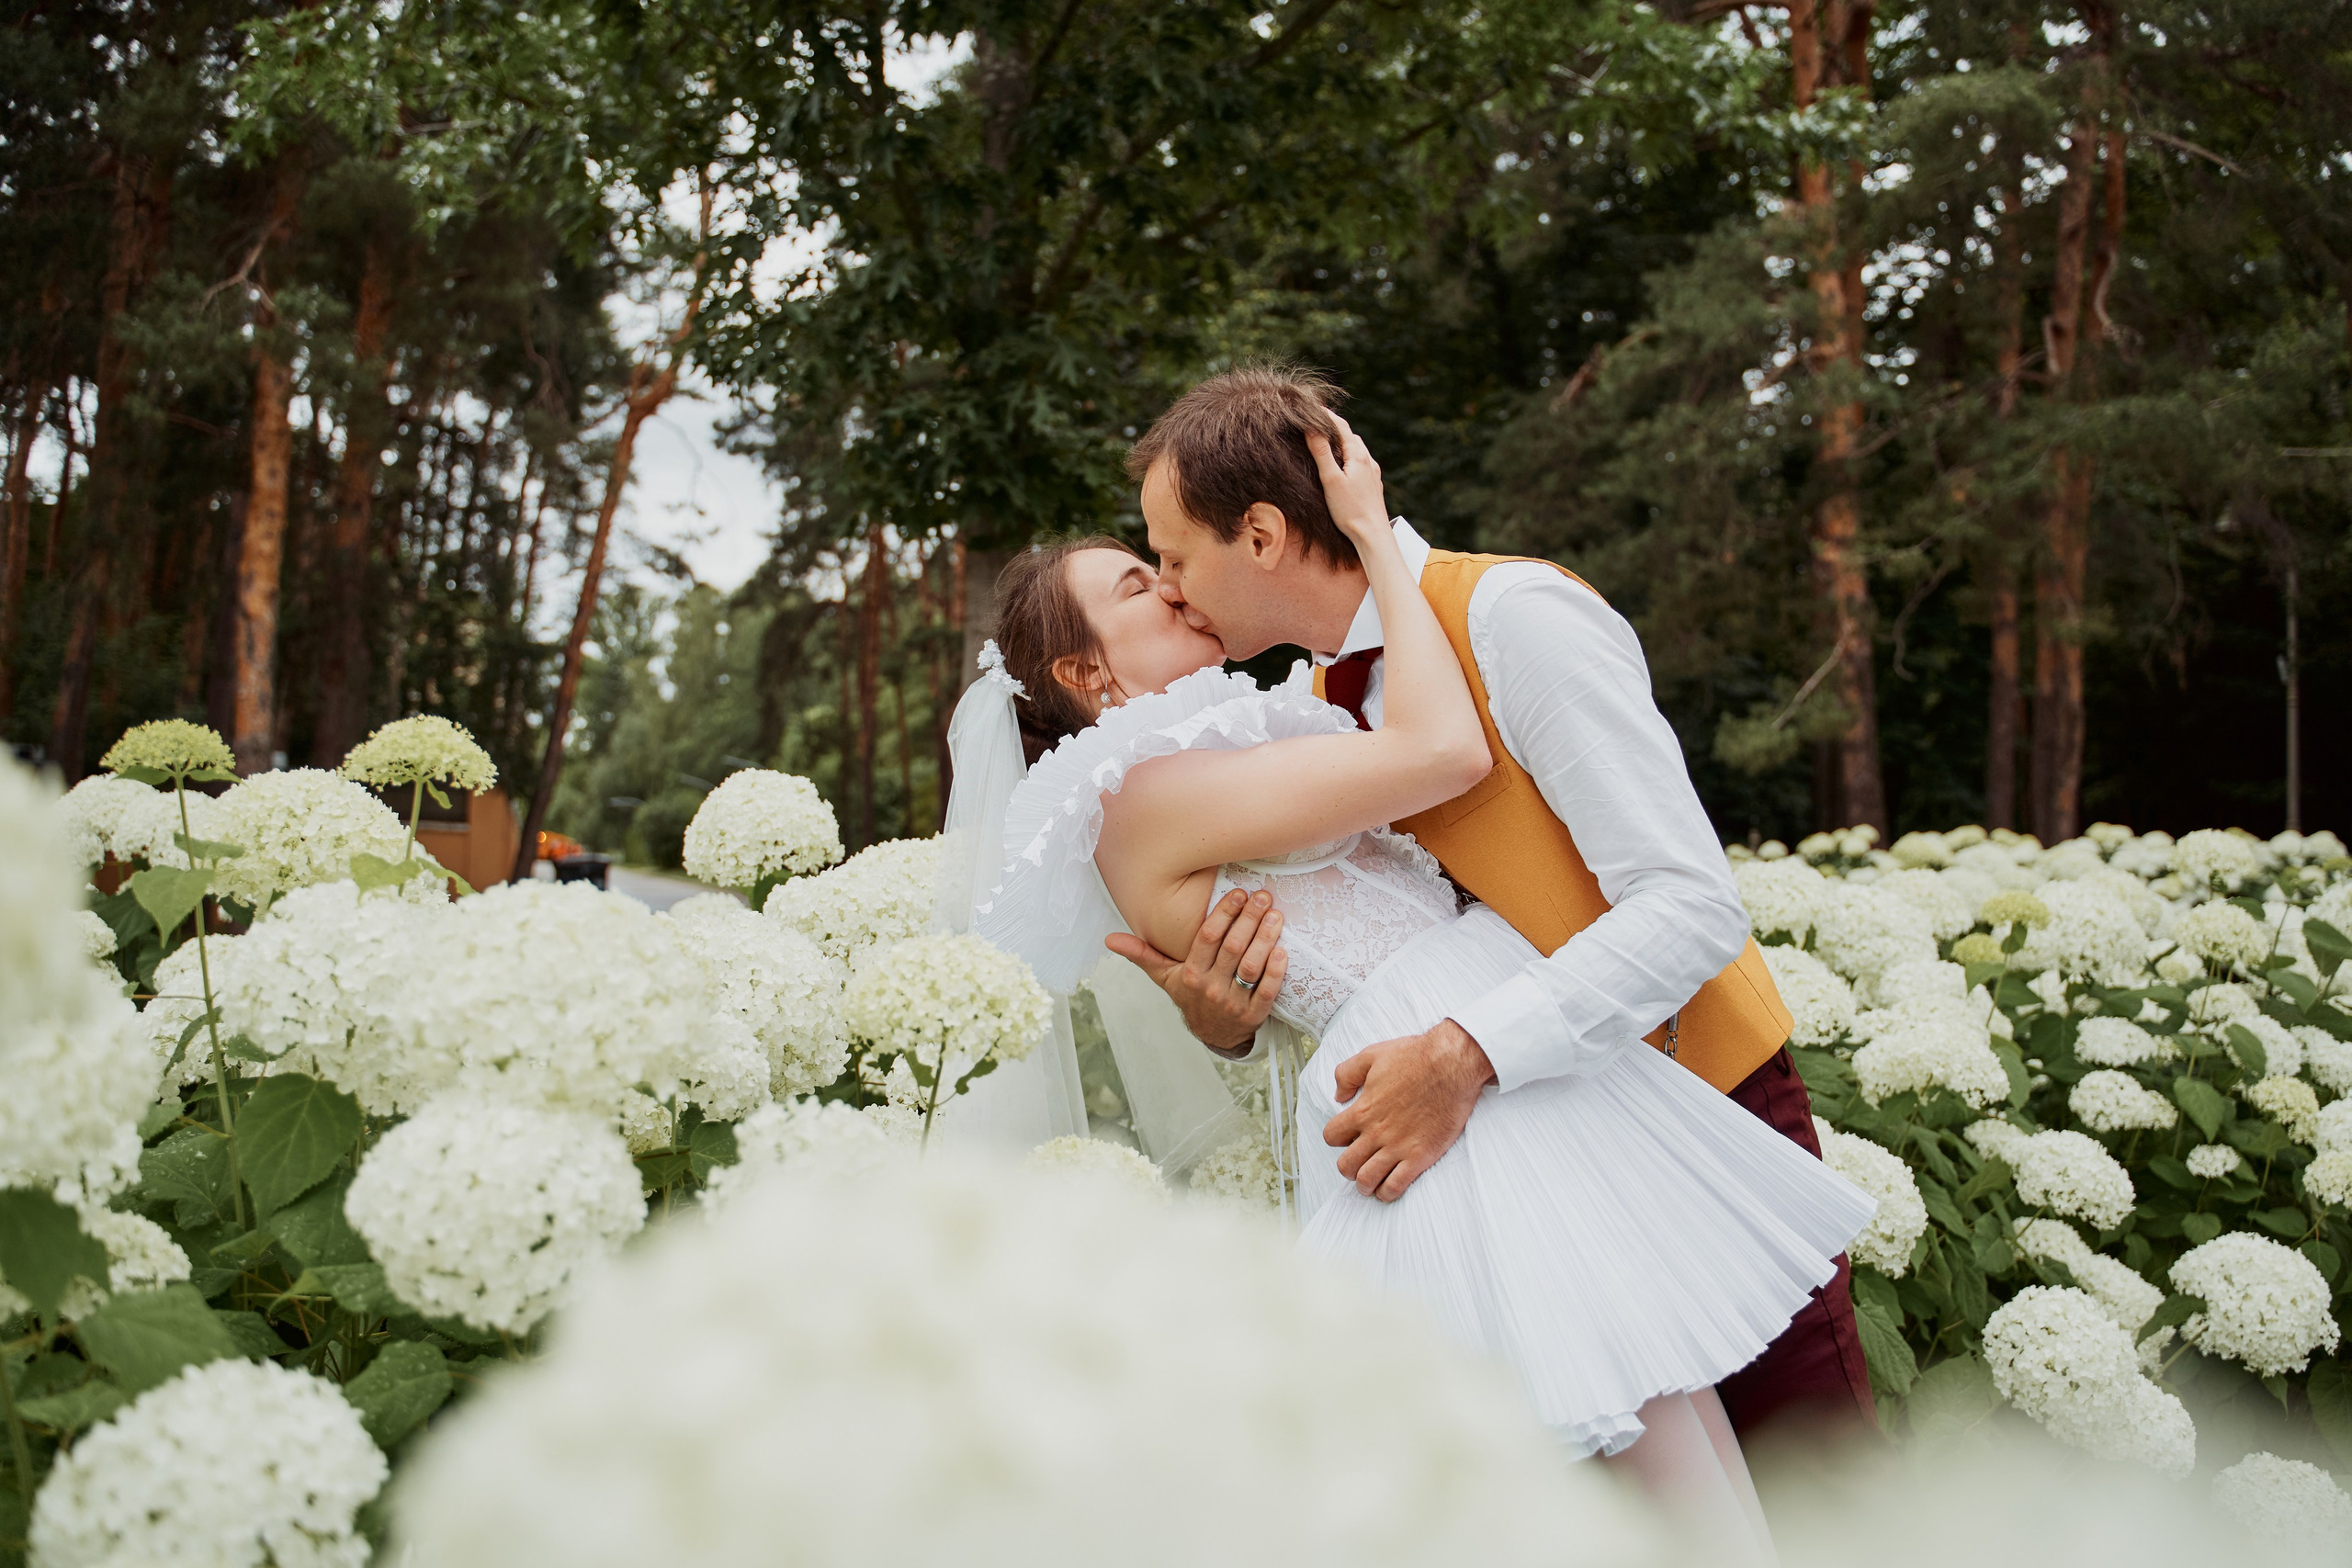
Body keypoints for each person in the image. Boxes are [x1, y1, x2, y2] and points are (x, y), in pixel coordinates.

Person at [971, 405, 1873, 1559]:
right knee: (1645, 1494)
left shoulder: (1501, 620)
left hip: (1677, 1088)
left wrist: (1459, 1053)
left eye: (1173, 558)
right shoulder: (1298, 710)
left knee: (1825, 1492)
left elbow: (1687, 902)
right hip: (1463, 1115)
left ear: (1257, 534)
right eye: (1146, 581)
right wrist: (1228, 1024)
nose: (1173, 585)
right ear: (1084, 670)